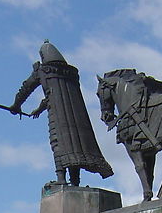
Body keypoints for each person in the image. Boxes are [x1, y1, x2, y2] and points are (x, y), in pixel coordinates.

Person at [8, 40, 114, 186]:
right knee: (74, 144)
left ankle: (61, 179)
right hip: (78, 116)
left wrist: (16, 105)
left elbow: (26, 88)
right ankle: (75, 182)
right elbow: (55, 94)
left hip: (58, 115)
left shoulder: (44, 70)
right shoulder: (71, 73)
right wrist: (40, 108)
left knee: (58, 143)